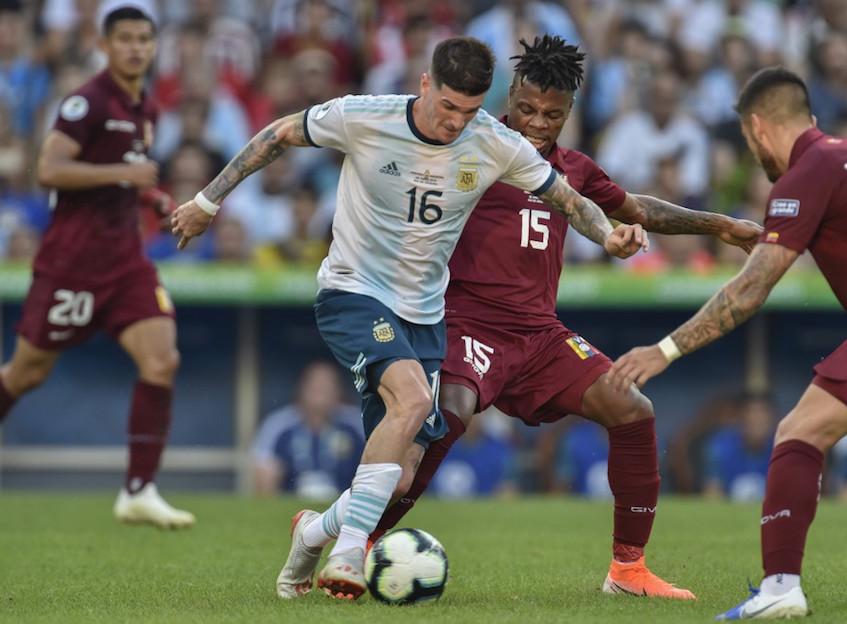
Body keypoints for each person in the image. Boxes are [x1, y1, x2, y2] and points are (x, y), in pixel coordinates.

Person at [170, 36, 646, 600]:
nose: (455, 123)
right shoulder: (365, 116)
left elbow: (569, 200)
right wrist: (206, 201)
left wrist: (608, 234)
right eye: (447, 106)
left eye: (469, 111)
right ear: (425, 84)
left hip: (423, 314)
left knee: (401, 473)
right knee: (415, 400)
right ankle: (349, 553)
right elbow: (277, 135)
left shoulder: (494, 142)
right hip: (355, 293)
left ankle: (313, 532)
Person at [367, 35, 762, 600]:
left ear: (570, 112)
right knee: (448, 413)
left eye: (551, 115)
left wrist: (719, 225)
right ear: (510, 97)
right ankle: (358, 541)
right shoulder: (473, 145)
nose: (536, 123)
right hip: (468, 323)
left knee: (632, 407)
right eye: (526, 108)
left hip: (539, 336)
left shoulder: (574, 169)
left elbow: (637, 209)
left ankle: (628, 570)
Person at [610, 66, 847, 619]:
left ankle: (781, 588)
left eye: (747, 139)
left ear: (758, 128)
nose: (752, 151)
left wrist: (663, 350)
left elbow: (749, 291)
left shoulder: (805, 175)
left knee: (799, 431)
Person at [0, 6, 193, 529]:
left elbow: (127, 177)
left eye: (144, 39)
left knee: (162, 361)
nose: (135, 48)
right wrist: (124, 174)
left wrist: (152, 197)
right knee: (26, 374)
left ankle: (139, 489)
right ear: (104, 46)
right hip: (73, 264)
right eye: (124, 39)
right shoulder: (87, 102)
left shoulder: (146, 108)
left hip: (126, 261)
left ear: (154, 47)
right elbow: (49, 169)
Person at [253, 361, 363, 498]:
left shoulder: (357, 423)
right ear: (302, 389)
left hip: (344, 503)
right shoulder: (278, 424)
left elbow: (376, 465)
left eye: (327, 386)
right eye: (315, 386)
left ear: (339, 391)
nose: (321, 392)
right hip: (291, 504)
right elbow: (263, 471)